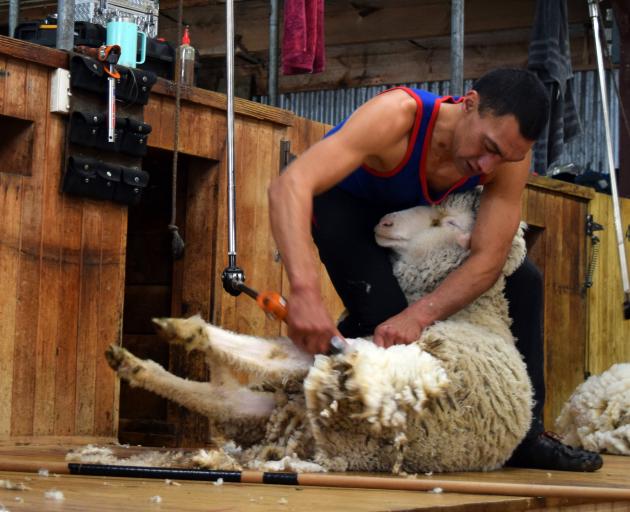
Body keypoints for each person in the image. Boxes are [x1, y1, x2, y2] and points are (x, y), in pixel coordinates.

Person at [267, 68, 602, 472]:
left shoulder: (508, 154)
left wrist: (421, 313)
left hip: (416, 221)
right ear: (469, 103)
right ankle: (332, 415)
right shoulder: (396, 116)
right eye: (487, 146)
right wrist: (303, 291)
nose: (486, 164)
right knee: (384, 314)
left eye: (503, 157)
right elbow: (291, 185)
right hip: (346, 209)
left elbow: (489, 258)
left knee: (525, 280)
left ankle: (526, 434)